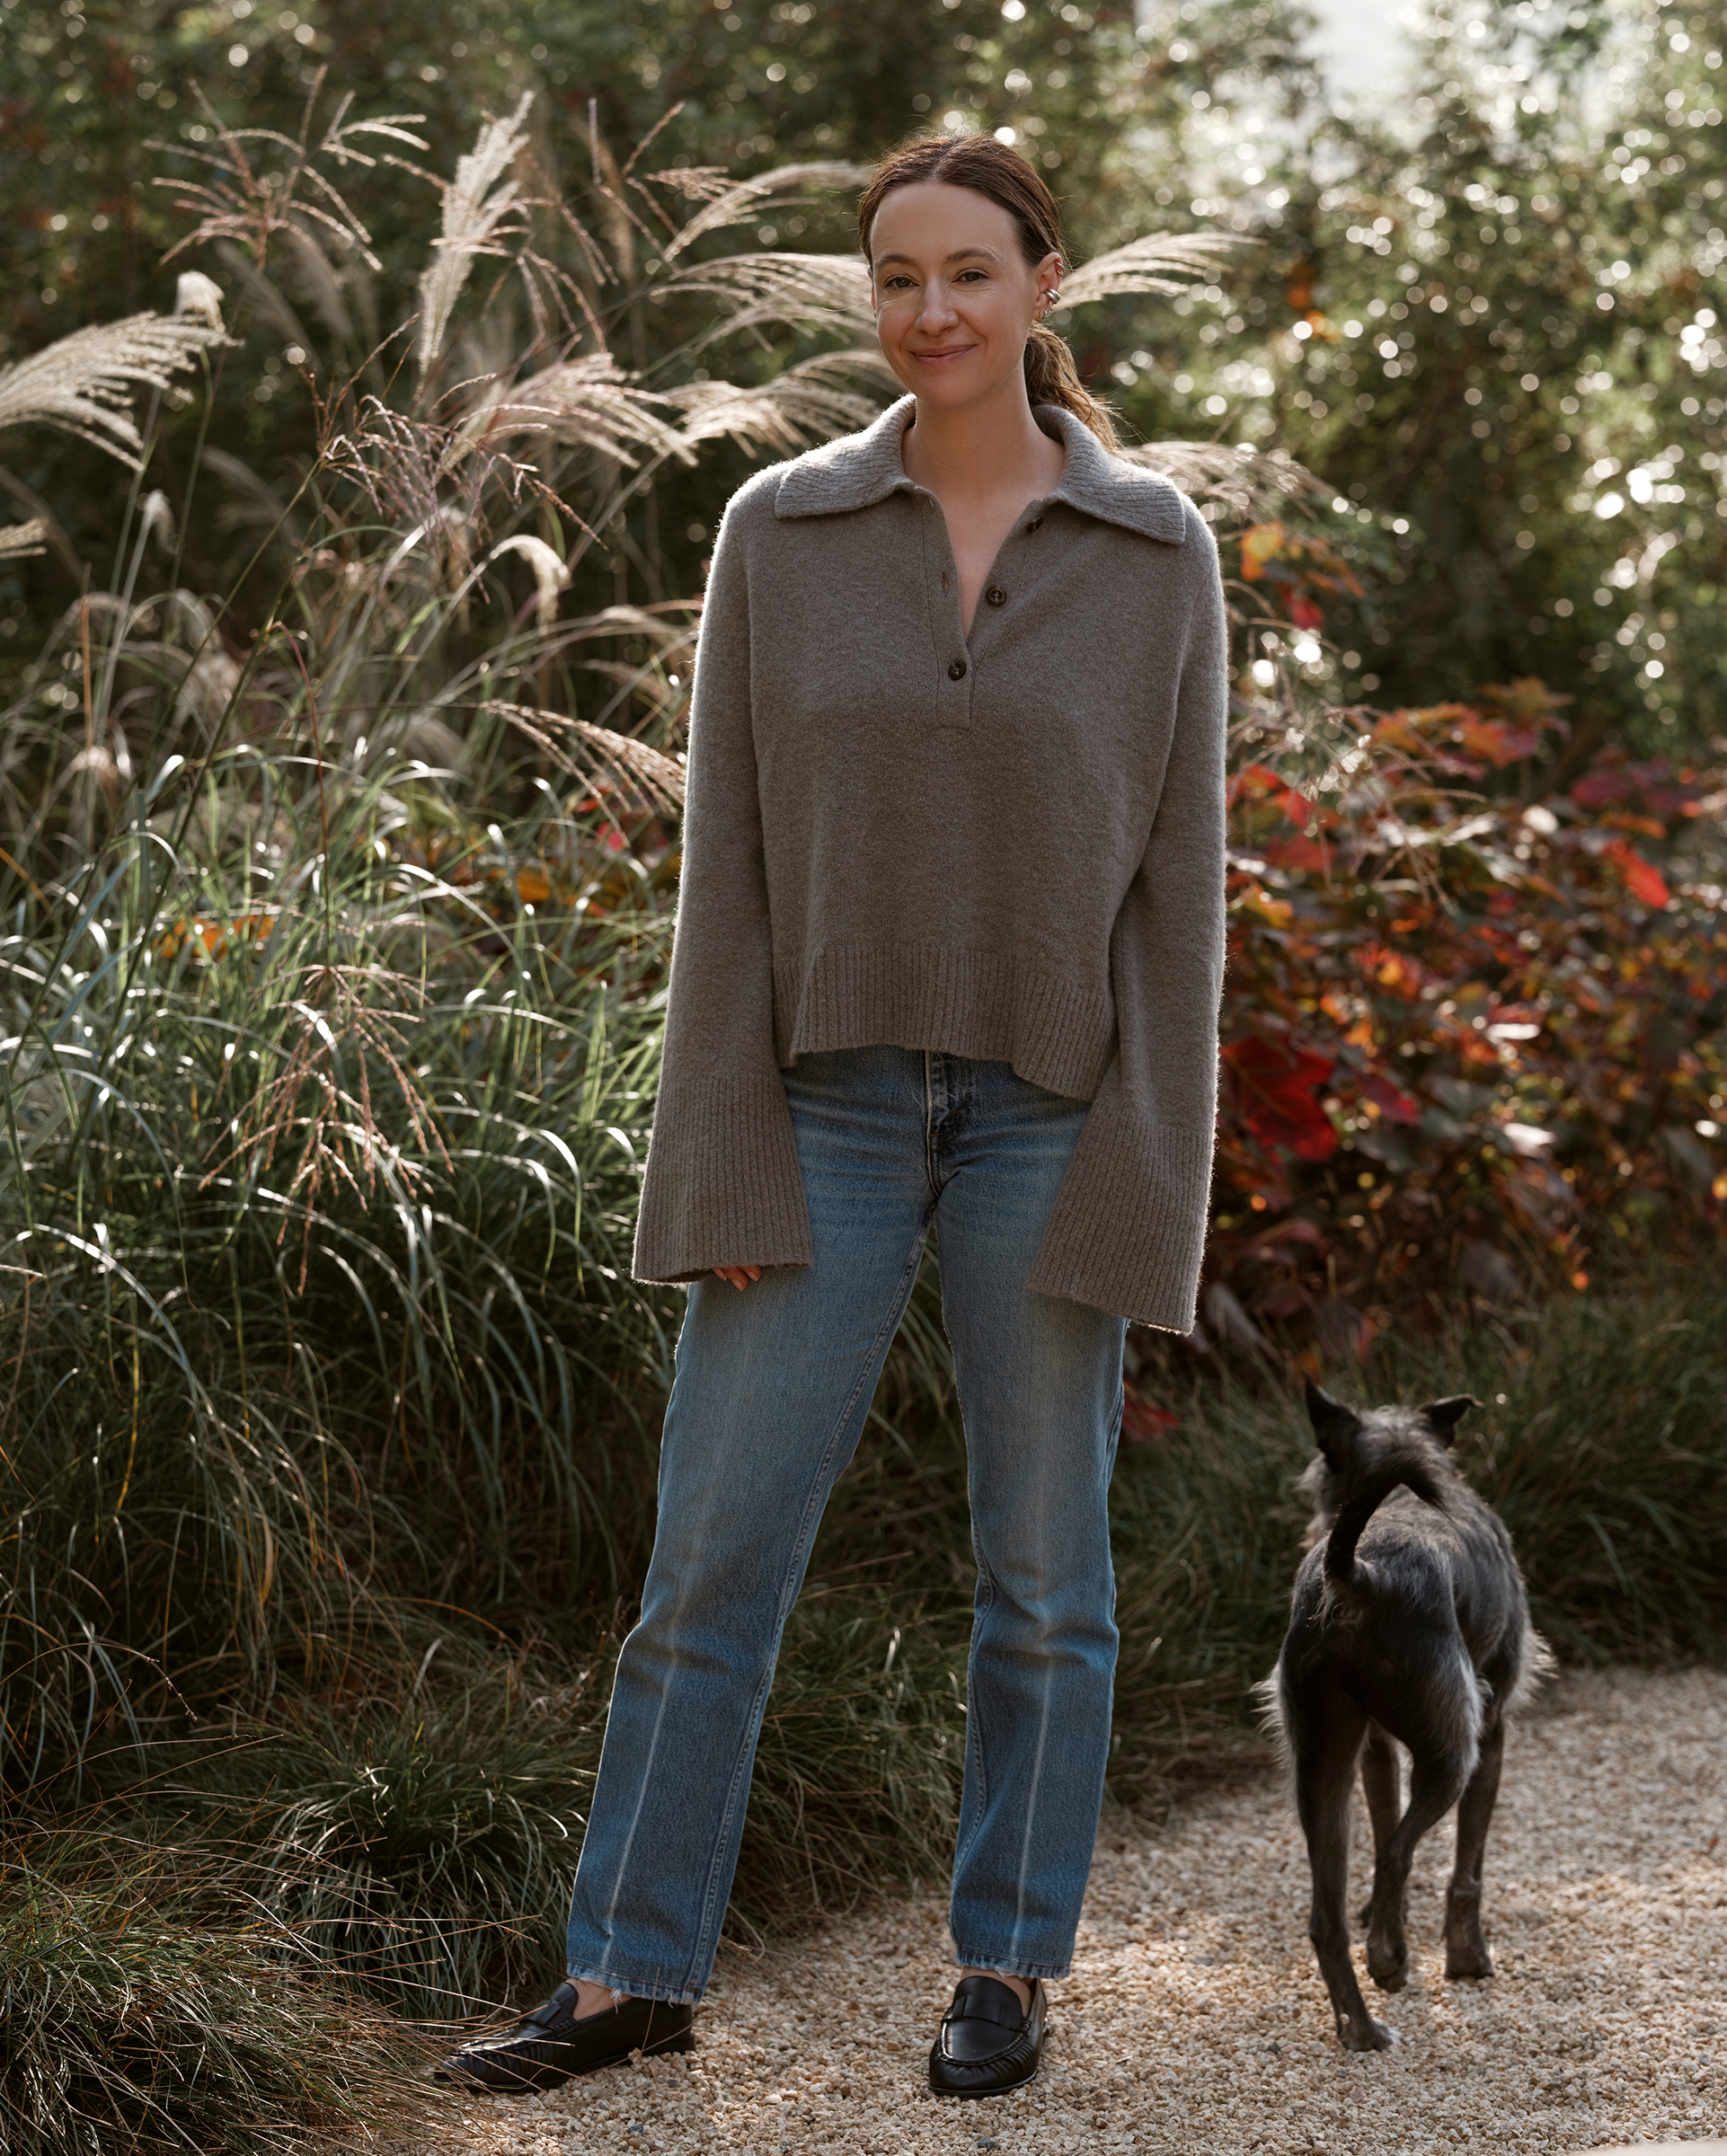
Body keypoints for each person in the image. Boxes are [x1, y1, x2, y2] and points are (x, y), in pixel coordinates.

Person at [438, 129, 1227, 2104]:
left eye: (968, 269)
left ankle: (1007, 1967)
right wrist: (710, 1151)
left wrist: (1148, 1178)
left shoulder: (1153, 557)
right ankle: (629, 1971)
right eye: (894, 274)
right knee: (710, 1563)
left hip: (1052, 1117)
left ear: (1047, 283)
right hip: (822, 1113)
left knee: (1042, 1584)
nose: (930, 310)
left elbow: (1176, 907)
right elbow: (729, 879)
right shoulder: (778, 536)